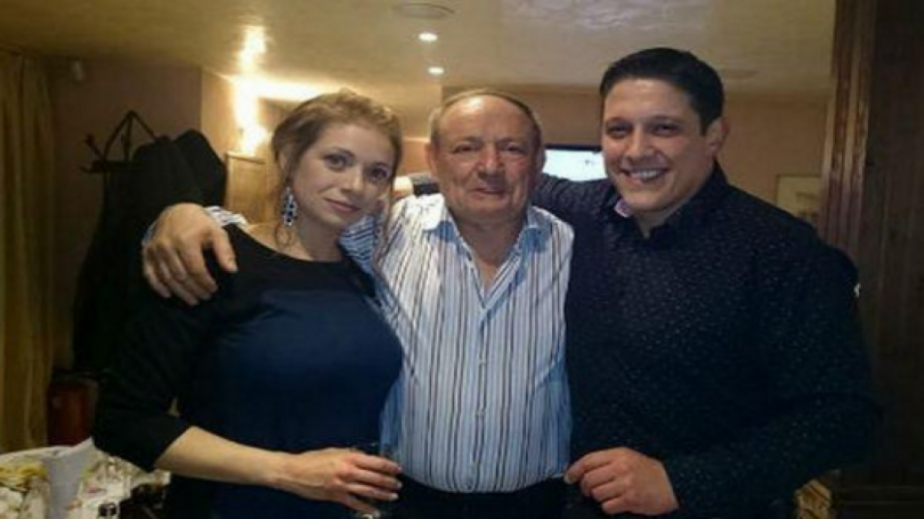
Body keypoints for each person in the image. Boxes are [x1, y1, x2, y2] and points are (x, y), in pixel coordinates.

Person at [140, 90, 574, 519]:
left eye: (513, 148)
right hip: (404, 501)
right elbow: (279, 240)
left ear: (539, 160)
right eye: (466, 148)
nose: (490, 166)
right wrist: (185, 216)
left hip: (539, 505)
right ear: (434, 160)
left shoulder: (576, 248)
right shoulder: (384, 231)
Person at [531, 48, 879, 518]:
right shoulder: (585, 210)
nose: (636, 150)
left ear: (713, 135)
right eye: (618, 130)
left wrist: (682, 481)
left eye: (664, 128)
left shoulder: (784, 252)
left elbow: (844, 417)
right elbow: (502, 183)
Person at [93, 90, 405, 519]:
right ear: (289, 156)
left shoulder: (366, 273)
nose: (355, 185)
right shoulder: (212, 260)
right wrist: (286, 471)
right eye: (336, 160)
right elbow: (124, 422)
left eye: (376, 172)